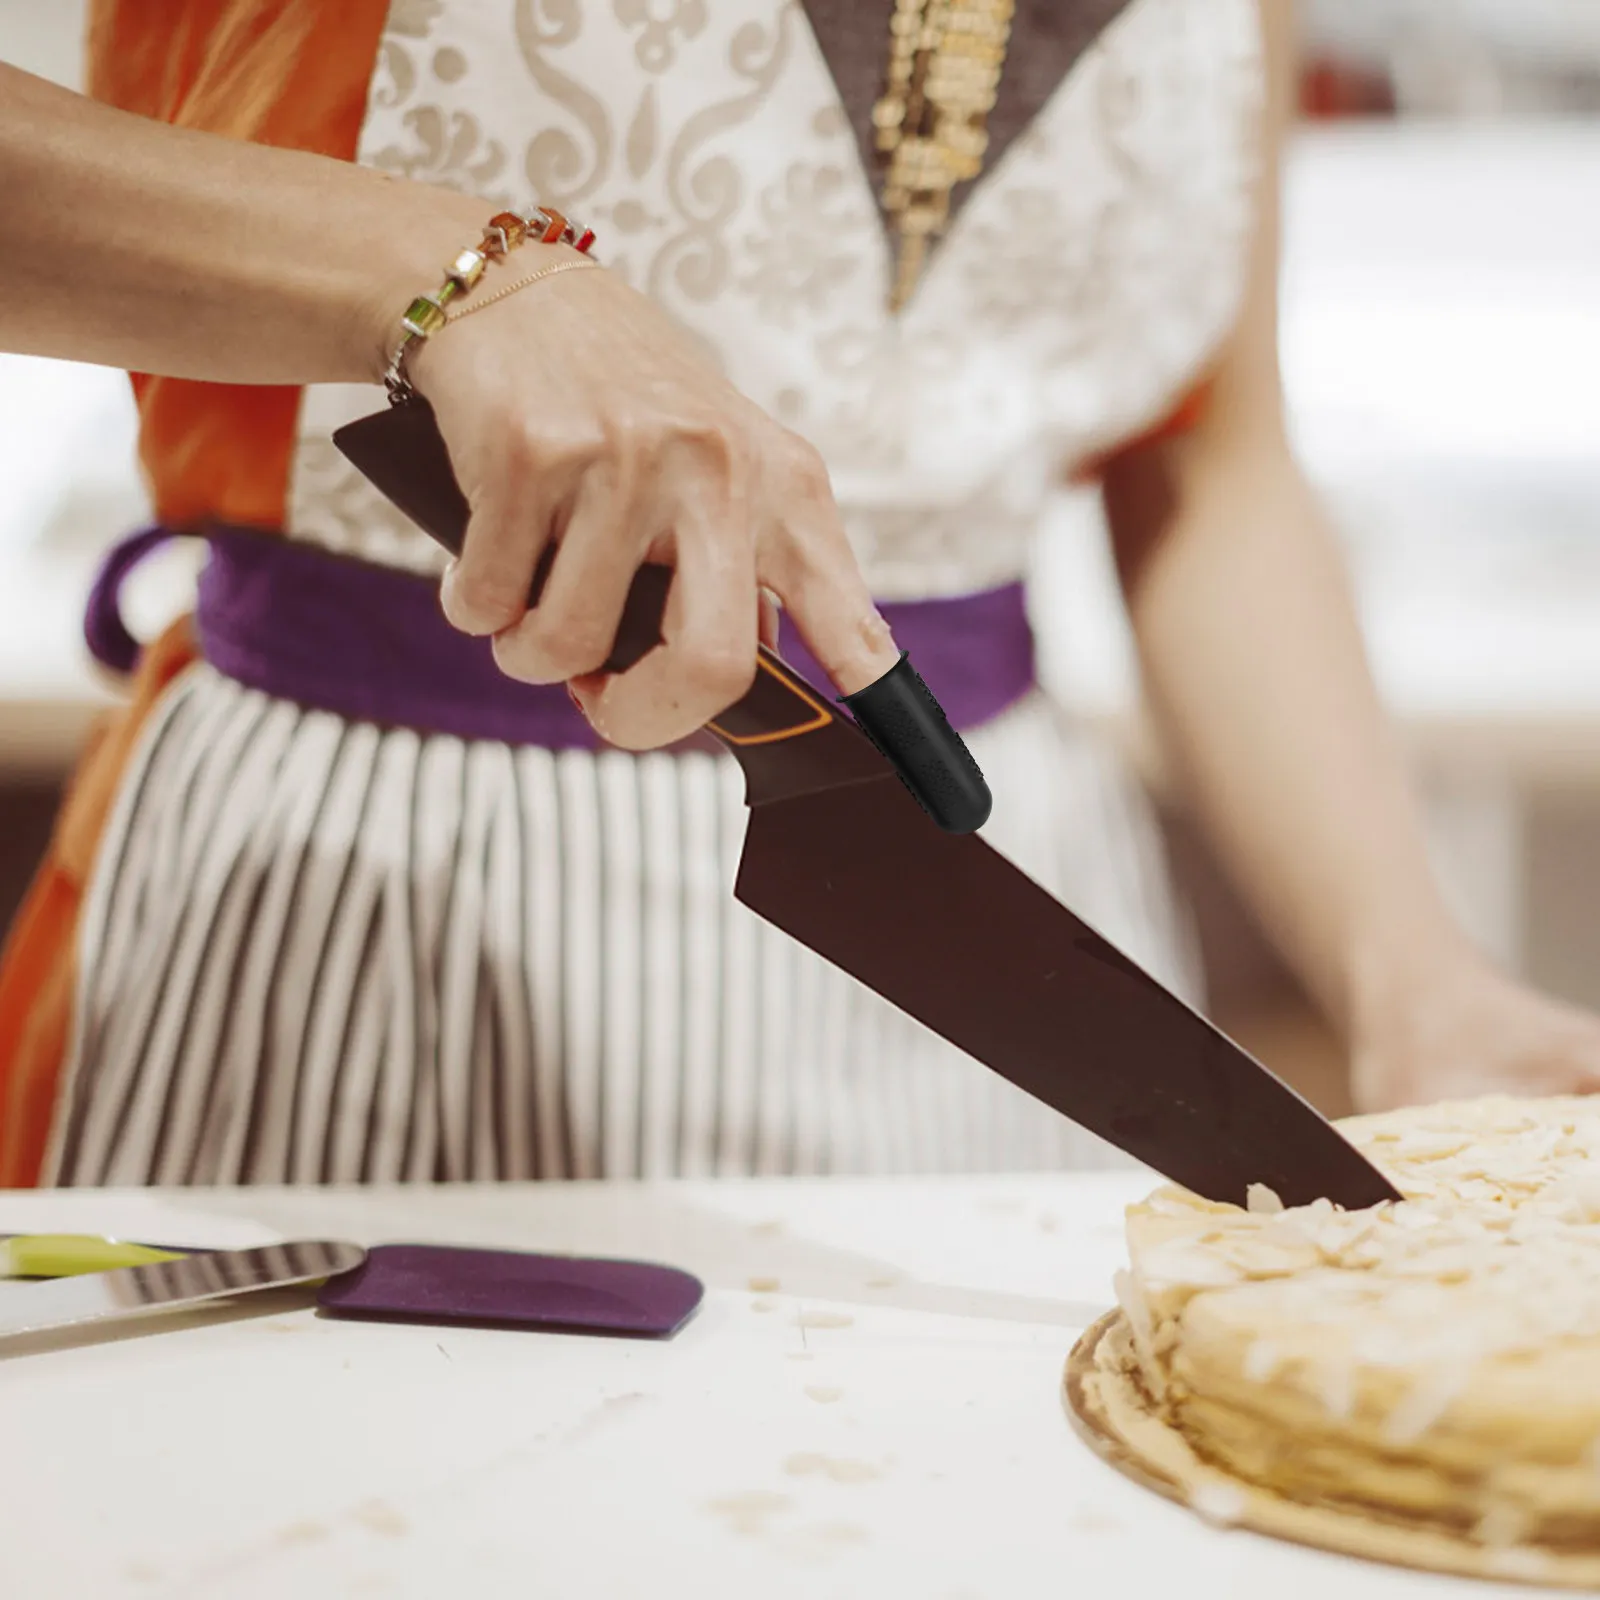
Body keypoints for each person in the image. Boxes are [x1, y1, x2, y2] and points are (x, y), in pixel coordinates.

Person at [1, 0, 1598, 1189]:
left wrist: (1411, 983)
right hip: (370, 904)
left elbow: (1209, 463)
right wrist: (443, 274)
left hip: (991, 927)